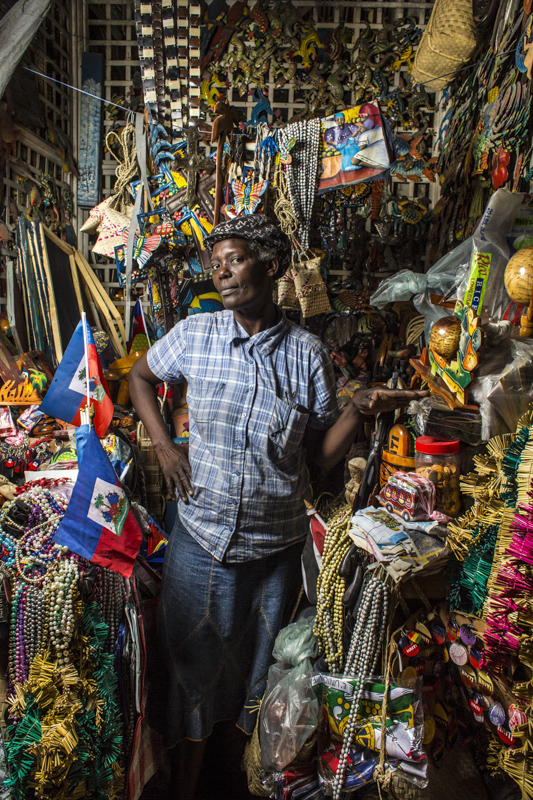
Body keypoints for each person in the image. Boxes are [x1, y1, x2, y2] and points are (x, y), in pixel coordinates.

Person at [129, 214, 427, 799]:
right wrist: (165, 447)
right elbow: (140, 376)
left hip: (274, 554)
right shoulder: (197, 334)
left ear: (273, 266)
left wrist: (359, 410)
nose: (222, 271)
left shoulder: (308, 354)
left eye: (234, 259)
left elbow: (317, 457)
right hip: (202, 540)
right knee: (191, 670)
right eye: (217, 263)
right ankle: (187, 787)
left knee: (257, 675)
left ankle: (243, 780)